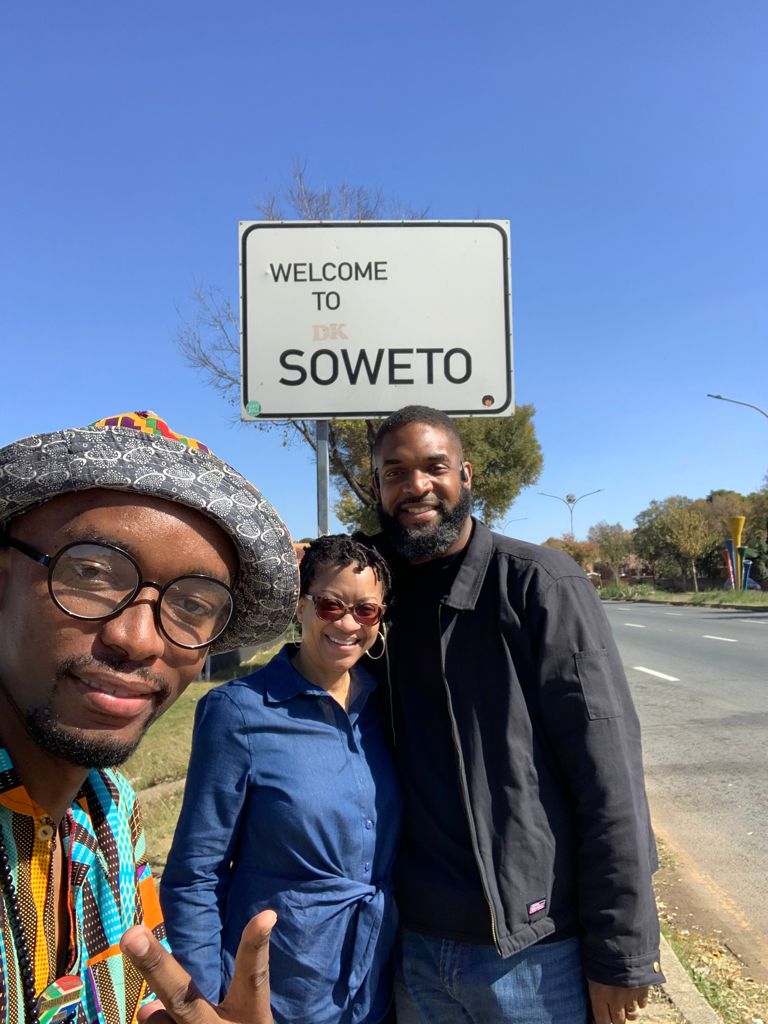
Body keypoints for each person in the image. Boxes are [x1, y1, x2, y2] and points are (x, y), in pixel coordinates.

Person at [366, 405, 665, 1024]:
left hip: (534, 954)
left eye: (434, 467)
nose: (416, 486)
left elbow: (609, 775)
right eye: (395, 472)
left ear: (466, 475)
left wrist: (621, 953)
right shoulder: (370, 597)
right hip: (411, 946)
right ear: (377, 488)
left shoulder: (540, 584)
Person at [0, 410, 299, 1024]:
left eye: (193, 603)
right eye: (91, 573)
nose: (138, 639)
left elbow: (128, 997)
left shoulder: (111, 809)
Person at [161, 534, 401, 1024]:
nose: (347, 624)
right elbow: (194, 874)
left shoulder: (387, 708)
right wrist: (210, 1004)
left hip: (373, 986)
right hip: (279, 992)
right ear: (300, 605)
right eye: (330, 605)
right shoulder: (238, 712)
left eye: (366, 610)